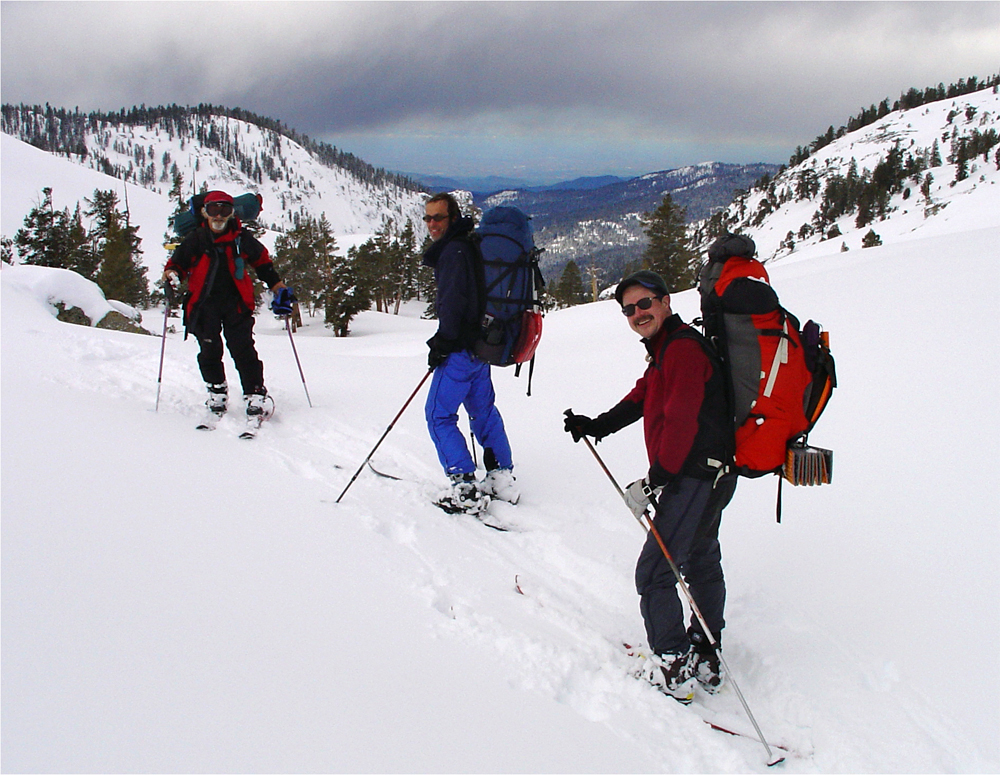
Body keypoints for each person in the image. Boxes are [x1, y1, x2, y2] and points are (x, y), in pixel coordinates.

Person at [564, 270, 737, 703]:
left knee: (655, 572)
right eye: (629, 309)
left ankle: (674, 665)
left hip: (693, 476)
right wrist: (598, 424)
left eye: (645, 304)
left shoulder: (680, 350)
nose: (638, 313)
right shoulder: (668, 349)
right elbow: (645, 395)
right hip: (712, 473)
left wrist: (656, 479)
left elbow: (681, 419)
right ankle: (705, 651)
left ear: (665, 303)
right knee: (699, 558)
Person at [421, 193, 519, 514]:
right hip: (481, 348)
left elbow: (451, 304)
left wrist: (441, 344)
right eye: (428, 218)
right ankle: (501, 477)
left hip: (460, 351)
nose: (433, 224)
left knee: (439, 415)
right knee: (483, 411)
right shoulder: (472, 244)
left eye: (438, 218)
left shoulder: (452, 252)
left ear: (452, 217)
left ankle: (464, 485)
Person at [162, 190, 289, 423]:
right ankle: (217, 392)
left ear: (232, 214)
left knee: (243, 350)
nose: (218, 216)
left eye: (224, 210)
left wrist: (277, 285)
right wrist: (171, 274)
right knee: (210, 351)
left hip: (236, 304)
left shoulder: (241, 238)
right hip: (203, 305)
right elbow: (177, 263)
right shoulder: (196, 239)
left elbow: (262, 262)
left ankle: (254, 394)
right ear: (204, 212)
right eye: (213, 210)